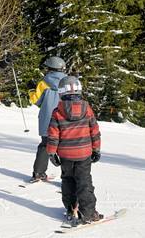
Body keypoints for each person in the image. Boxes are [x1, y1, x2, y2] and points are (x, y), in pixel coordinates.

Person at [46, 76, 103, 224]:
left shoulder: (57, 111)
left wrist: (51, 152)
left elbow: (53, 135)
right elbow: (94, 131)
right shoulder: (87, 109)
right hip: (84, 154)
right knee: (84, 183)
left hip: (66, 155)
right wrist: (96, 149)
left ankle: (71, 209)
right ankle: (88, 213)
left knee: (68, 181)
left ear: (61, 93)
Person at [27, 56, 67, 181]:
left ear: (50, 68)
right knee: (66, 147)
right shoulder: (68, 82)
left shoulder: (43, 83)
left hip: (48, 119)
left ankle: (38, 173)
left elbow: (36, 100)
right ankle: (68, 177)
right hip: (64, 119)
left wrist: (31, 89)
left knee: (45, 145)